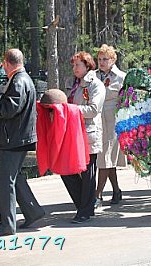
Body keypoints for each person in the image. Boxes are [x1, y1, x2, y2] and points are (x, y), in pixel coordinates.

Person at [0, 48, 45, 237]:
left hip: (13, 140)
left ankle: (7, 225)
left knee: (5, 181)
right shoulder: (21, 79)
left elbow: (9, 109)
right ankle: (32, 211)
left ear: (7, 63)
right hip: (17, 137)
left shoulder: (19, 81)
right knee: (14, 177)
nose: (2, 67)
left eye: (3, 64)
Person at [62, 51, 106, 223]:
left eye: (77, 65)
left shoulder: (96, 85)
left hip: (88, 133)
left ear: (87, 66)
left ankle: (85, 210)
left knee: (88, 173)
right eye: (73, 65)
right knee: (67, 169)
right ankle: (83, 204)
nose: (74, 68)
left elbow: (93, 110)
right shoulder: (72, 83)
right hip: (71, 132)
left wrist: (70, 110)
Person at [95, 44, 126, 208]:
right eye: (99, 59)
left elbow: (127, 101)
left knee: (106, 157)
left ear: (113, 60)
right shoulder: (92, 76)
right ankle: (116, 190)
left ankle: (97, 194)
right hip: (96, 120)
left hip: (113, 120)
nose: (101, 62)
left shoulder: (121, 77)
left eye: (105, 59)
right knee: (106, 157)